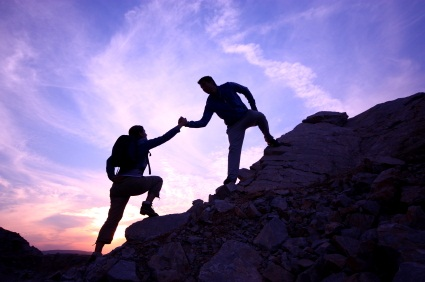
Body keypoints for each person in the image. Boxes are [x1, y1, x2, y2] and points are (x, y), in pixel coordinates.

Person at [90, 117, 188, 260]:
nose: (146, 134)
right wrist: (179, 126)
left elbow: (109, 161)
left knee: (112, 219)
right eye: (145, 132)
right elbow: (164, 138)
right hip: (133, 183)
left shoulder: (123, 148)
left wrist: (112, 176)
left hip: (117, 186)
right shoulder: (143, 144)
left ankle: (97, 252)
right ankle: (147, 205)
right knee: (157, 180)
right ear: (141, 134)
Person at [183, 76, 286, 186]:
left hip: (246, 115)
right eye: (202, 88)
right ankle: (231, 178)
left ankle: (268, 138)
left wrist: (253, 107)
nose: (204, 89)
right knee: (234, 149)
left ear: (212, 82)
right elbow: (203, 122)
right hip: (233, 126)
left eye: (204, 85)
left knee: (260, 116)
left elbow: (245, 90)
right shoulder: (210, 103)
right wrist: (187, 123)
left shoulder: (229, 86)